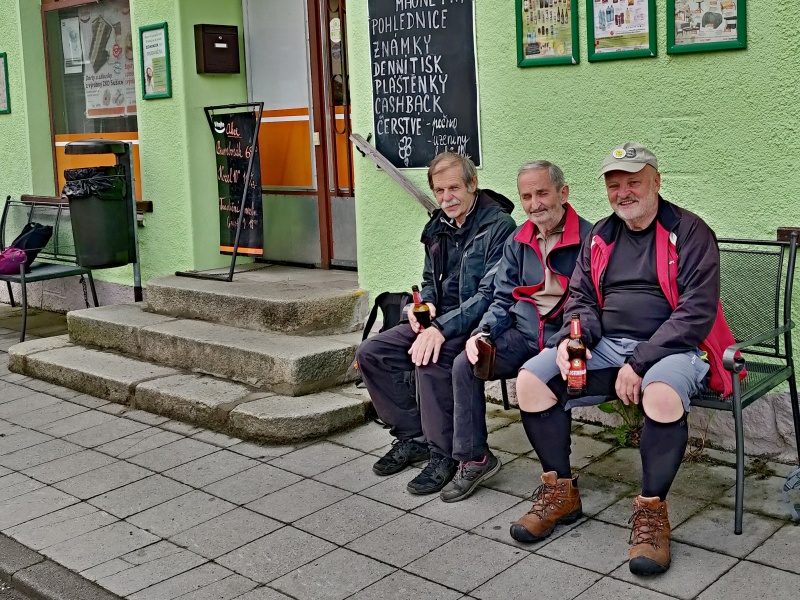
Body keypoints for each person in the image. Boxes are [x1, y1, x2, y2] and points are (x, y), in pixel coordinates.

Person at [510, 142, 737, 576]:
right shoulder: (601, 235)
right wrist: (572, 339)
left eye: (634, 182)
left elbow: (696, 311)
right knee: (531, 382)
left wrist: (641, 362)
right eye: (615, 185)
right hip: (607, 343)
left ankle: (652, 514)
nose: (623, 193)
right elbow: (580, 298)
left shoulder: (690, 232)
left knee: (663, 396)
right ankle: (560, 494)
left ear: (656, 181)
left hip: (674, 347)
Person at [355, 151, 517, 495]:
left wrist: (440, 330)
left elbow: (489, 295)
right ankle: (414, 436)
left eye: (454, 188)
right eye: (440, 190)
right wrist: (423, 304)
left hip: (476, 326)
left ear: (472, 184)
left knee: (431, 358)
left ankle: (444, 455)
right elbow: (429, 279)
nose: (447, 198)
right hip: (438, 321)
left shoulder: (499, 226)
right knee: (373, 352)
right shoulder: (437, 226)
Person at [439, 160, 591, 503]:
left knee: (539, 377)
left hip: (561, 337)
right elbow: (502, 296)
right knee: (467, 362)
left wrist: (566, 340)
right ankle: (475, 457)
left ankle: (559, 476)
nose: (534, 203)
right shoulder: (518, 241)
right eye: (526, 196)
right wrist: (483, 333)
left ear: (563, 193)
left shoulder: (589, 238)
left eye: (542, 193)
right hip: (523, 334)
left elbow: (592, 302)